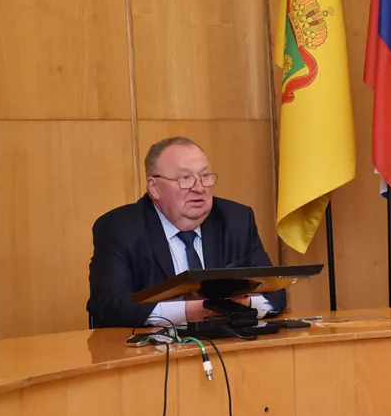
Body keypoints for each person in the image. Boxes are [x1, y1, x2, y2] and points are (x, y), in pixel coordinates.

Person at [87, 136, 285, 328]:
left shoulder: (236, 220)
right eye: (184, 178)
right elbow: (107, 305)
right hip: (155, 347)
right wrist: (185, 312)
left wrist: (242, 305)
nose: (199, 188)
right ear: (154, 188)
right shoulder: (119, 228)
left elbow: (276, 294)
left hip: (230, 343)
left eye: (204, 176)